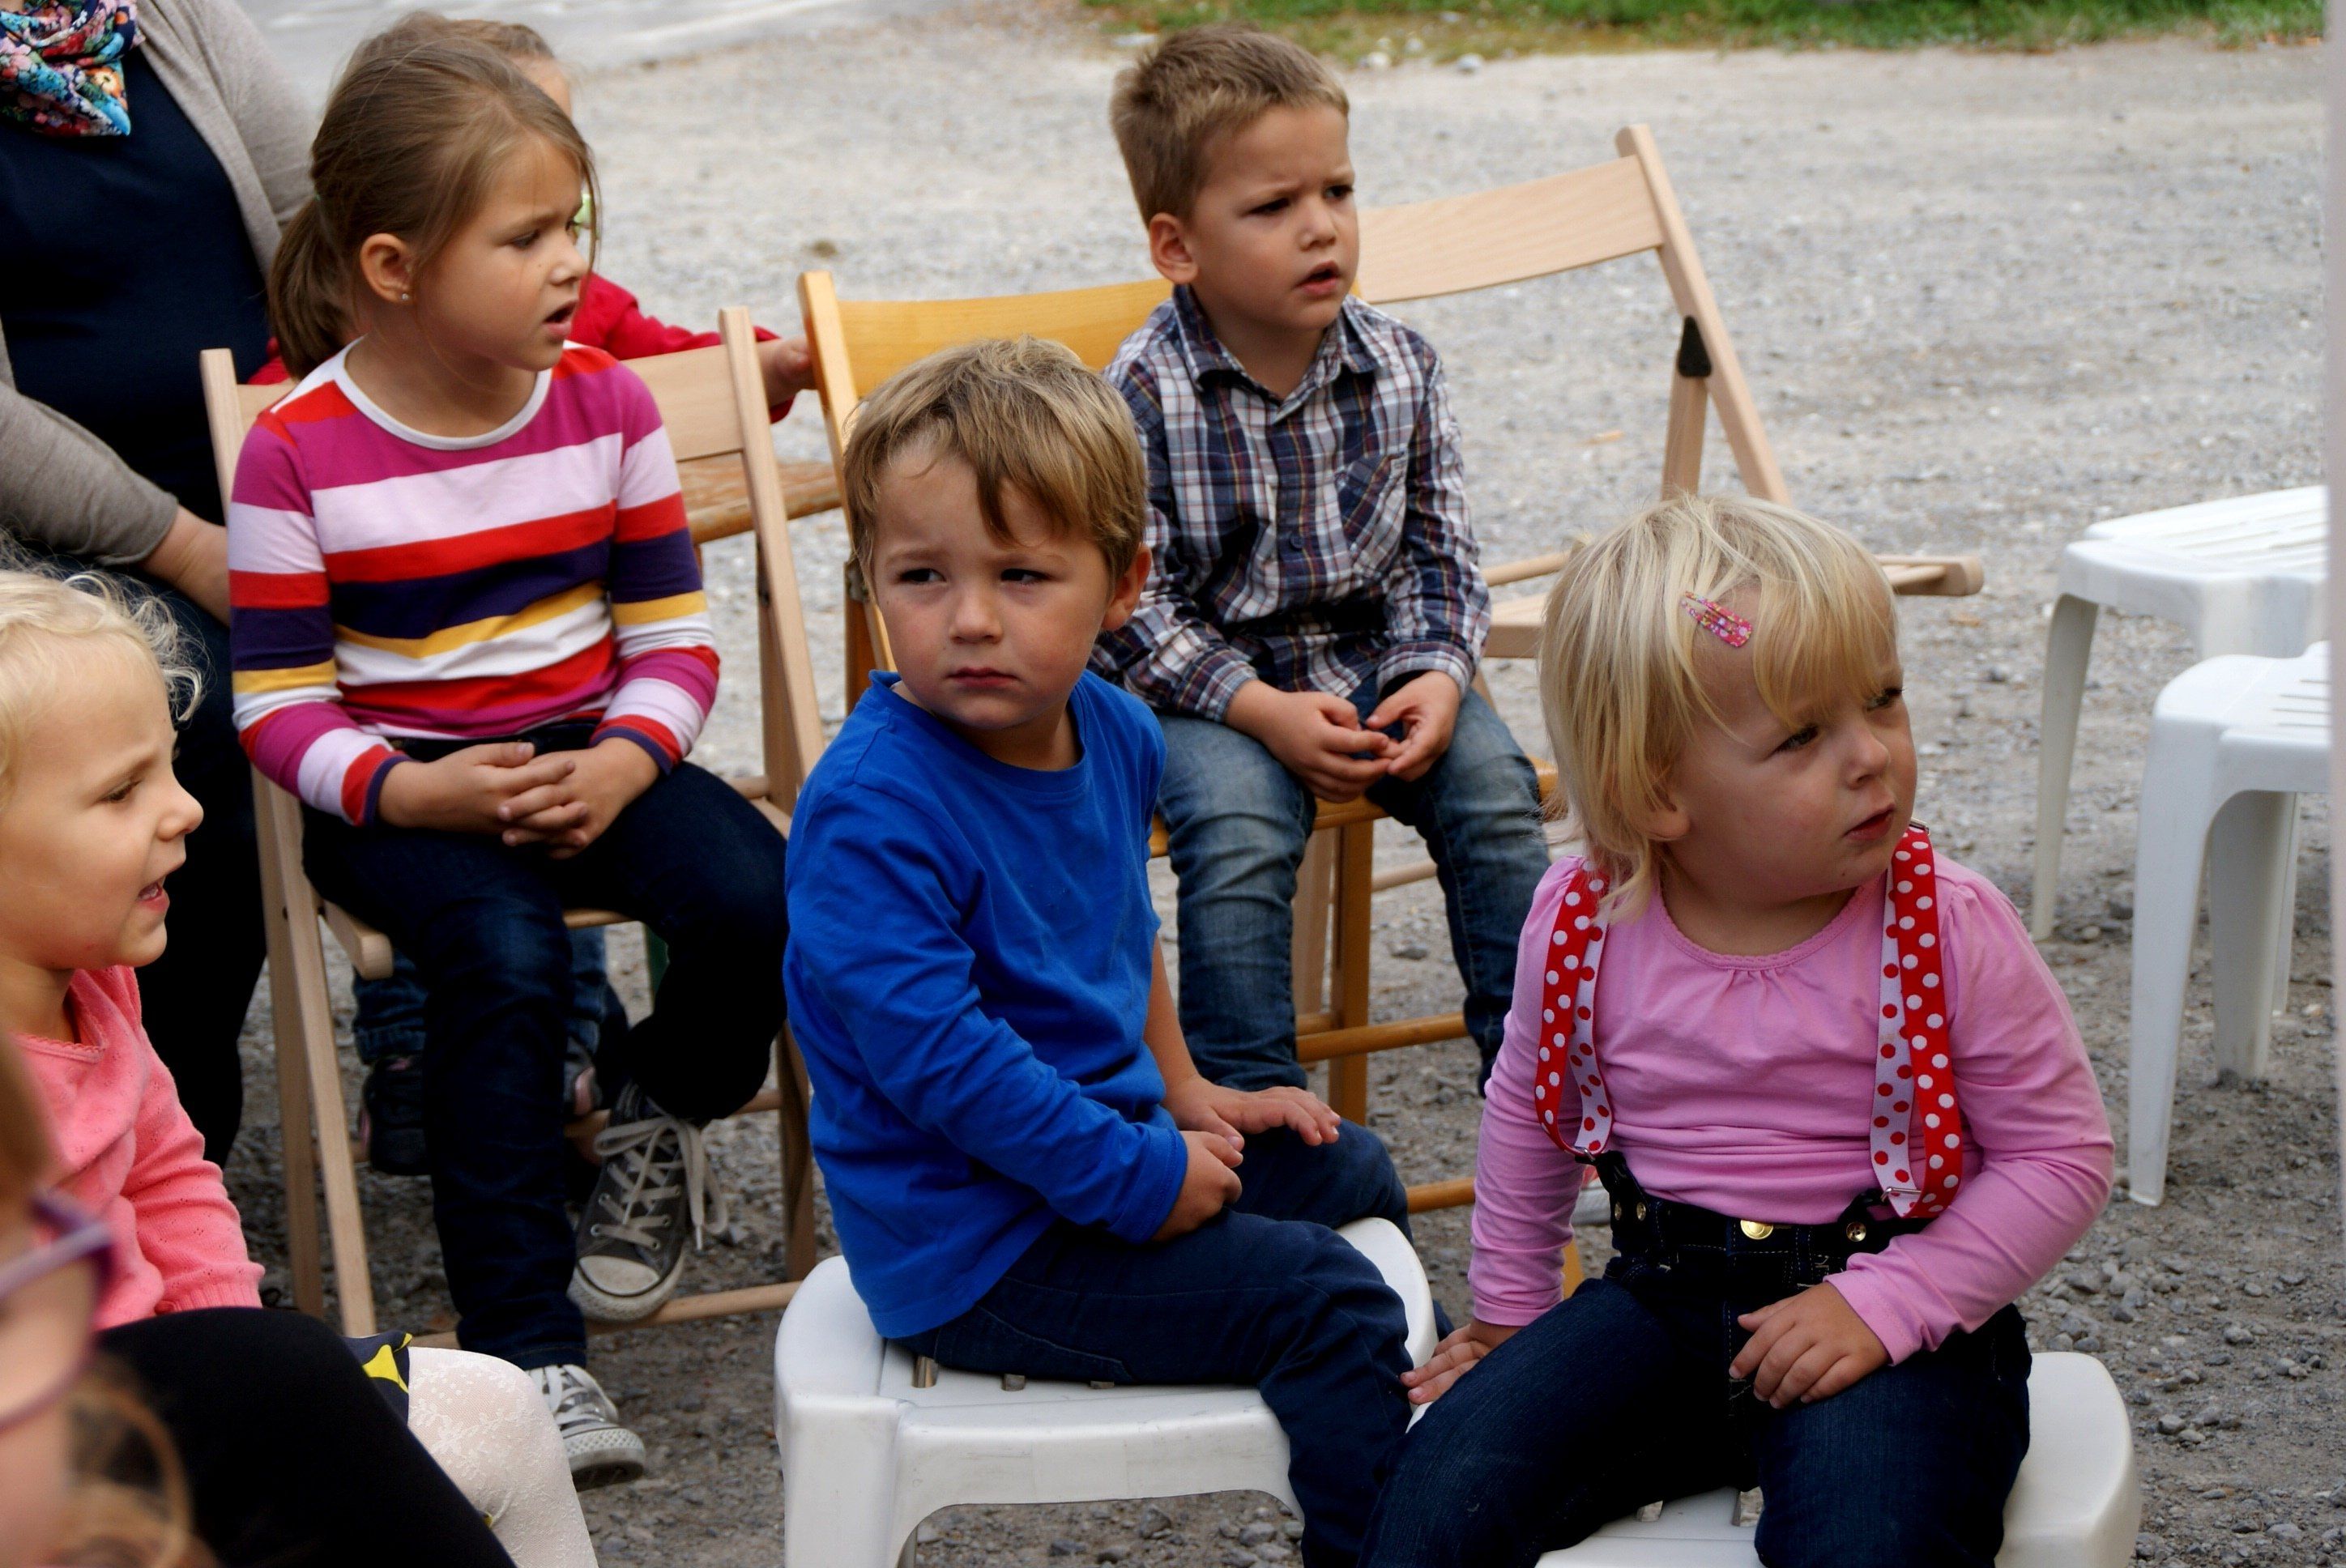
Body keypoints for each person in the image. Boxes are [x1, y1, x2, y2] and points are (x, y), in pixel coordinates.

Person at [225, 34, 789, 1485]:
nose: (568, 263)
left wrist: (626, 761)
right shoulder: (296, 449)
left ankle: (654, 1097)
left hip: (593, 754)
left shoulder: (609, 405)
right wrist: (413, 791)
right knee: (506, 954)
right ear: (395, 266)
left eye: (572, 226)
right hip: (400, 787)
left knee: (763, 897)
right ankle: (532, 1352)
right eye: (526, 237)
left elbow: (674, 643)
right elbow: (276, 703)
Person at [1356, 495, 2115, 1568]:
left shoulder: (1944, 923)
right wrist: (1513, 1317)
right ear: (1656, 791)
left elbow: (2060, 1153)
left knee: (1869, 1541)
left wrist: (1894, 1302)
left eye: (1883, 698)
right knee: (1433, 1502)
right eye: (1803, 735)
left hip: (1888, 1313)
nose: (1872, 755)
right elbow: (1531, 1111)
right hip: (1662, 1297)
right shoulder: (1584, 918)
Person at [785, 339, 1413, 1568]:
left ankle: (1388, 1461)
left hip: (1099, 1155)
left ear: (1122, 585)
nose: (971, 619)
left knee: (1351, 1168)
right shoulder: (872, 809)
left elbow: (1123, 930)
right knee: (1329, 1303)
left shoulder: (1117, 729)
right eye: (921, 576)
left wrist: (1184, 1093)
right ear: (870, 581)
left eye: (1022, 575)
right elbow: (945, 1067)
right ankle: (1389, 1541)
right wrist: (1139, 1175)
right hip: (977, 1245)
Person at [0, 569, 597, 1563]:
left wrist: (240, 1369)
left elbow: (168, 1176)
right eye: (121, 791)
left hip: (186, 1405)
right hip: (56, 1464)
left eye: (169, 769)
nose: (185, 809)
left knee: (501, 1405)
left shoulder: (98, 981)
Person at [1091, 25, 1550, 1104]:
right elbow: (1134, 609)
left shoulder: (1399, 365)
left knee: (1494, 795)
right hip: (1206, 696)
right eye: (1272, 206)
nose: (1320, 227)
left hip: (1373, 663)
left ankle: (1544, 1083)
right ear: (1178, 247)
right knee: (1240, 830)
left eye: (1337, 191)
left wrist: (1436, 672)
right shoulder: (1142, 393)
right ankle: (1254, 1110)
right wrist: (1260, 710)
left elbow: (1440, 553)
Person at [0, 0, 309, 1161]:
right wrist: (187, 547)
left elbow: (331, 227)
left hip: (267, 488)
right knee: (195, 725)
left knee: (478, 626)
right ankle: (153, 1141)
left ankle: (493, 1033)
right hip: (51, 547)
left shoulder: (170, 18)